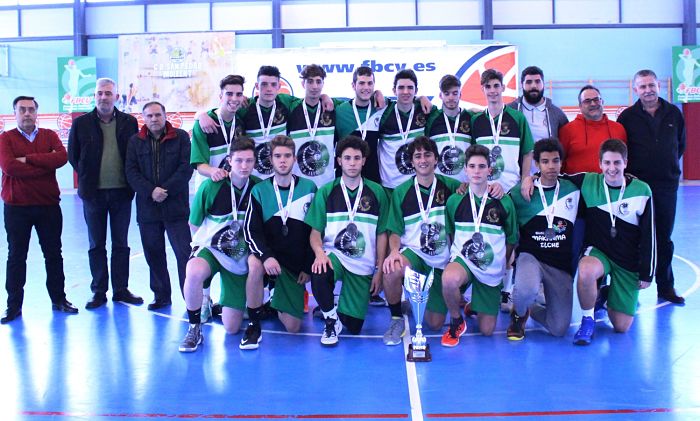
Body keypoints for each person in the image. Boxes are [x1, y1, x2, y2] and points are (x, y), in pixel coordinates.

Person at [179, 138, 262, 352]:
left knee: (232, 328)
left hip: (240, 256)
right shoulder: (211, 186)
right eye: (239, 161)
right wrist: (201, 249)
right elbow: (193, 224)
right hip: (213, 250)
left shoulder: (258, 188)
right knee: (194, 271)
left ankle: (223, 306)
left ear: (254, 162)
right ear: (229, 161)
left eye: (249, 161)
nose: (244, 166)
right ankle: (194, 328)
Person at [0, 96, 78, 324]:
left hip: (48, 207)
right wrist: (44, 165)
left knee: (54, 255)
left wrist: (29, 159)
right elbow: (9, 167)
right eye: (22, 110)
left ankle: (59, 299)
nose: (27, 113)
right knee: (16, 257)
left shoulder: (50, 135)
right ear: (14, 113)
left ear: (37, 113)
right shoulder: (5, 139)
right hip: (16, 208)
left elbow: (62, 158)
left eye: (31, 109)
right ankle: (13, 306)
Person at [569, 139, 655, 345]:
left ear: (626, 162)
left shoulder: (642, 191)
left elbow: (650, 235)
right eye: (607, 163)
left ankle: (605, 294)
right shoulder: (589, 181)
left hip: (628, 260)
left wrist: (647, 273)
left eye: (617, 163)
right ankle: (587, 320)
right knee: (586, 271)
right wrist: (532, 178)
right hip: (600, 252)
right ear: (599, 164)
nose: (612, 168)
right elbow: (556, 177)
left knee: (621, 326)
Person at [306, 135, 389, 346]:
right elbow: (315, 232)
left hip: (363, 263)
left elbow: (382, 234)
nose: (352, 163)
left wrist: (378, 269)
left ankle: (333, 310)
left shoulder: (377, 192)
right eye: (347, 158)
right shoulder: (326, 191)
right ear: (339, 160)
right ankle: (330, 318)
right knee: (320, 270)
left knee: (353, 326)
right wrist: (319, 253)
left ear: (364, 161)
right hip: (335, 255)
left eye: (357, 158)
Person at [68, 77, 143, 309]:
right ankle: (99, 291)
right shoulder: (81, 124)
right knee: (96, 244)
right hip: (93, 195)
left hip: (122, 193)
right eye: (100, 93)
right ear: (95, 96)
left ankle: (121, 290)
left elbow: (135, 153)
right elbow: (73, 155)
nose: (103, 97)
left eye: (108, 93)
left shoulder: (129, 122)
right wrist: (88, 177)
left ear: (116, 97)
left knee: (121, 243)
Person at [382, 136, 461, 345]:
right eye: (418, 156)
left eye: (427, 155)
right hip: (415, 253)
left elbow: (474, 196)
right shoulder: (401, 192)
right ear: (412, 161)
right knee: (391, 269)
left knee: (434, 324)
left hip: (442, 259)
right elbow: (395, 231)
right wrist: (394, 252)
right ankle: (397, 317)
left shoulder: (452, 186)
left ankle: (416, 301)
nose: (423, 160)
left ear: (436, 159)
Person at [617, 69, 685, 304]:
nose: (648, 90)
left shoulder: (674, 113)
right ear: (635, 90)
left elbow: (680, 145)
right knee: (635, 238)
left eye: (651, 85)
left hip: (667, 186)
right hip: (638, 187)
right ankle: (630, 291)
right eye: (643, 86)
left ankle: (666, 287)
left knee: (664, 238)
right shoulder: (627, 118)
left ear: (659, 86)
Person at [440, 144, 518, 346]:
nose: (476, 171)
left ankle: (473, 306)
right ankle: (456, 321)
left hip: (490, 266)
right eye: (472, 166)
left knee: (487, 331)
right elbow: (451, 232)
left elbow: (510, 238)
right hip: (464, 258)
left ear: (489, 170)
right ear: (465, 169)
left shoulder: (503, 201)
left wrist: (503, 262)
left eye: (482, 166)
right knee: (449, 279)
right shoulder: (454, 200)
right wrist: (454, 259)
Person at [470, 68, 534, 312]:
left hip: (511, 188)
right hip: (485, 189)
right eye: (488, 87)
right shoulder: (476, 121)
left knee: (511, 240)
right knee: (487, 239)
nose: (493, 91)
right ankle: (483, 289)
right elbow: (472, 155)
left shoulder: (517, 118)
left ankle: (506, 290)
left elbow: (527, 151)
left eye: (497, 86)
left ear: (503, 88)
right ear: (483, 89)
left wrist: (526, 178)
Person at [243, 135, 316, 341]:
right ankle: (254, 321)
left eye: (287, 156)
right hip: (268, 258)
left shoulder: (309, 188)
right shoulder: (259, 190)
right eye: (277, 156)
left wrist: (307, 266)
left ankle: (274, 296)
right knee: (255, 265)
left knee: (293, 327)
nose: (282, 160)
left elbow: (316, 230)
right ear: (271, 160)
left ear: (294, 159)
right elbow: (251, 231)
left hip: (293, 265)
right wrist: (266, 256)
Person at [507, 138, 580, 339]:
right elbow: (500, 212)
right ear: (537, 164)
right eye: (545, 162)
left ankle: (530, 310)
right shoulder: (521, 192)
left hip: (560, 264)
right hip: (532, 257)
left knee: (559, 329)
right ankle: (519, 313)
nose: (551, 166)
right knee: (526, 290)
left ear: (561, 162)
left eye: (555, 161)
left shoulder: (573, 189)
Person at [125, 102, 193, 311]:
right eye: (149, 116)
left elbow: (186, 167)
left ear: (165, 115)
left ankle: (190, 296)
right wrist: (150, 191)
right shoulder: (135, 142)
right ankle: (161, 295)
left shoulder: (181, 137)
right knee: (153, 253)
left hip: (176, 207)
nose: (154, 119)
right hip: (148, 208)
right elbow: (131, 171)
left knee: (184, 253)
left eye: (157, 115)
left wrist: (166, 190)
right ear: (143, 119)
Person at [190, 74, 247, 321]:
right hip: (211, 194)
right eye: (229, 94)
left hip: (235, 192)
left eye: (238, 94)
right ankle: (204, 300)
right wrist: (212, 170)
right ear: (220, 96)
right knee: (206, 246)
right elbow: (198, 163)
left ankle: (238, 299)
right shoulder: (205, 123)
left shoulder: (242, 117)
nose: (234, 99)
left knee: (234, 245)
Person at [378, 69, 436, 190]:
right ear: (394, 90)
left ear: (416, 90)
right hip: (389, 186)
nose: (406, 92)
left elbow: (450, 112)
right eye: (401, 88)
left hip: (418, 183)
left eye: (410, 87)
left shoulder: (425, 109)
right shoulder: (384, 111)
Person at [507, 66, 569, 175]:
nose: (533, 86)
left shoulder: (557, 114)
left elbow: (565, 146)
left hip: (547, 176)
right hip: (517, 175)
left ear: (543, 84)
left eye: (537, 81)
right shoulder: (509, 111)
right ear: (522, 85)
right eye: (529, 82)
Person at [287, 64, 340, 188]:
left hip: (326, 182)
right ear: (303, 84)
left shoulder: (333, 107)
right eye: (310, 81)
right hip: (298, 182)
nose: (315, 86)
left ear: (323, 84)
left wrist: (378, 93)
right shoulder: (291, 107)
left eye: (318, 81)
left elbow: (357, 101)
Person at [335, 66, 387, 184]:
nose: (366, 88)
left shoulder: (381, 107)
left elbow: (405, 101)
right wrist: (324, 97)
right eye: (361, 83)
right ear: (353, 85)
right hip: (345, 178)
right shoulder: (340, 111)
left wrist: (421, 98)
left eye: (370, 83)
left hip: (372, 177)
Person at [559, 85, 627, 174]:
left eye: (596, 99)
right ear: (580, 106)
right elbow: (559, 161)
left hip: (611, 185)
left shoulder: (618, 128)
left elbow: (624, 159)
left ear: (602, 102)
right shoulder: (567, 130)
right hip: (577, 186)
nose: (593, 104)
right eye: (587, 101)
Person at [425, 75, 473, 183]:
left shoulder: (470, 118)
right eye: (446, 93)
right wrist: (421, 97)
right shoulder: (431, 118)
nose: (451, 97)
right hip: (439, 184)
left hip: (465, 183)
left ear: (460, 95)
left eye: (455, 93)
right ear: (440, 95)